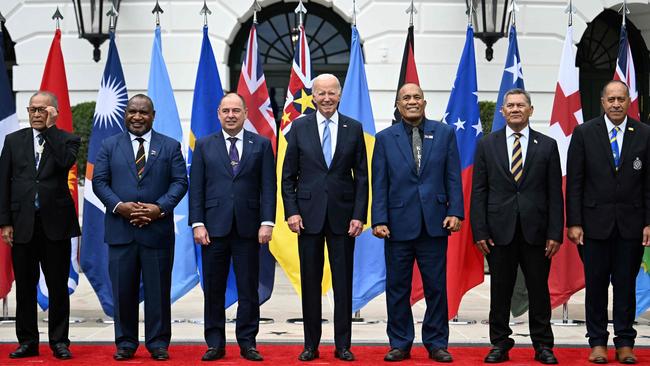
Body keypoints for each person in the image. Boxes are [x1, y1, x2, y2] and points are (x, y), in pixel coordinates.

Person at [470, 89, 562, 364]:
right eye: (510, 105)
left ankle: (543, 345)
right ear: (502, 111)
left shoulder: (547, 145)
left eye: (521, 105)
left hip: (537, 232)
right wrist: (480, 231)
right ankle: (499, 343)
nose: (515, 109)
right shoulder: (487, 145)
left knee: (538, 290)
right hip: (499, 232)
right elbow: (479, 191)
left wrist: (555, 232)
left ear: (531, 110)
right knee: (500, 290)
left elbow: (555, 193)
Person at [372, 83, 462, 363]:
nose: (412, 101)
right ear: (398, 105)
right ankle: (400, 342)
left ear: (425, 102)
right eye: (406, 98)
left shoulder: (444, 133)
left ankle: (436, 343)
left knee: (436, 287)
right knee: (398, 288)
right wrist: (379, 219)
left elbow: (453, 176)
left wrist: (456, 212)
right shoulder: (385, 138)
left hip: (435, 223)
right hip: (397, 225)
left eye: (417, 97)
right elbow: (380, 181)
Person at [93, 94, 187, 361]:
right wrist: (120, 206)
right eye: (132, 111)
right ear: (125, 114)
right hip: (121, 230)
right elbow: (99, 182)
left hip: (156, 231)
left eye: (143, 112)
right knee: (123, 292)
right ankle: (125, 343)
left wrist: (158, 209)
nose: (137, 116)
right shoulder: (109, 145)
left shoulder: (169, 146)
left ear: (153, 115)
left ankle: (158, 343)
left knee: (158, 291)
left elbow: (180, 182)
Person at [281, 73, 368, 362]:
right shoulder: (298, 128)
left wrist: (359, 215)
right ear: (314, 96)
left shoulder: (353, 128)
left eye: (332, 93)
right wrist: (291, 211)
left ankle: (343, 345)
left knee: (343, 284)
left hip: (344, 219)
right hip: (307, 218)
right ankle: (310, 345)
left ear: (339, 95)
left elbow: (363, 177)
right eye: (321, 93)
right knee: (310, 283)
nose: (327, 98)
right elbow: (287, 177)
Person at [566, 80, 650, 364]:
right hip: (593, 226)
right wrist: (574, 222)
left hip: (631, 224)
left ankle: (625, 341)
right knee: (597, 285)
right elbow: (575, 182)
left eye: (621, 99)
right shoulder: (584, 133)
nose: (616, 104)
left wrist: (648, 222)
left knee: (626, 285)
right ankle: (598, 341)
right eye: (611, 99)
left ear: (629, 102)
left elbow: (648, 184)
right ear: (602, 102)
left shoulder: (644, 134)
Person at [189, 92, 276, 362]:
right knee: (213, 289)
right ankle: (215, 342)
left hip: (249, 229)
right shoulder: (204, 145)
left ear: (245, 114)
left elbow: (268, 187)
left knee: (248, 289)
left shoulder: (261, 145)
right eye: (225, 111)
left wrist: (267, 222)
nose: (230, 115)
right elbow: (197, 188)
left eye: (236, 111)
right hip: (213, 230)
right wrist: (198, 223)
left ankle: (248, 342)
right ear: (218, 114)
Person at [0, 91, 80, 360]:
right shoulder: (13, 141)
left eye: (42, 110)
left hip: (55, 224)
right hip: (22, 224)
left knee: (57, 286)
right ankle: (27, 341)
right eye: (32, 109)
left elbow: (64, 163)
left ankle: (59, 341)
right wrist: (5, 222)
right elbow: (4, 183)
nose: (36, 114)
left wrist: (50, 130)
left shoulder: (67, 139)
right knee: (25, 285)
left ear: (53, 112)